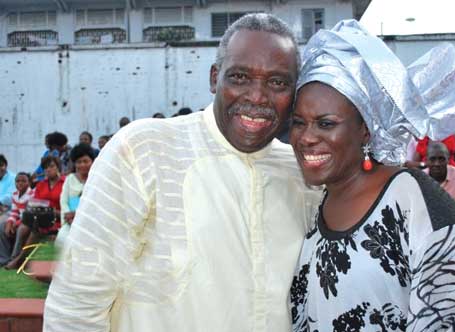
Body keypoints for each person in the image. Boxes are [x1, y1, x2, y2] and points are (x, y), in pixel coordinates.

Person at [44, 13, 320, 332]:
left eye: (277, 82)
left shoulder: (302, 173)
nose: (257, 97)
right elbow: (75, 305)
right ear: (215, 77)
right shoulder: (144, 150)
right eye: (240, 77)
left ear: (294, 92)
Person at [289, 20, 455, 332]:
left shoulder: (411, 199)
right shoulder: (317, 204)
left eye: (325, 123)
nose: (306, 137)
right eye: (298, 122)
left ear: (365, 130)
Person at [6, 156, 65, 269]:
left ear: (58, 167)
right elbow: (35, 203)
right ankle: (16, 258)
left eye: (51, 166)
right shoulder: (41, 184)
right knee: (24, 228)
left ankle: (19, 260)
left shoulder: (65, 182)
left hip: (59, 218)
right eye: (45, 168)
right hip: (42, 218)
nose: (48, 170)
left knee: (35, 230)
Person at [55, 144, 95, 248]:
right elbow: (63, 201)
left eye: (86, 161)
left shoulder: (96, 179)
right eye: (79, 162)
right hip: (70, 221)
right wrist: (69, 217)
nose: (82, 165)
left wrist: (78, 215)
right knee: (62, 239)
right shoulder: (69, 179)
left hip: (91, 221)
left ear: (92, 161)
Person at [0, 172, 33, 266]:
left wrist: (15, 224)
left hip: (29, 220)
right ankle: (4, 258)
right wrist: (9, 223)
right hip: (20, 219)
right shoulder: (15, 194)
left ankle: (14, 259)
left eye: (23, 181)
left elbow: (27, 214)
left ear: (29, 182)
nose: (20, 183)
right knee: (2, 227)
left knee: (20, 230)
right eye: (17, 181)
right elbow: (14, 211)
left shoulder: (32, 194)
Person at [0, 154, 16, 222]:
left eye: (1, 165)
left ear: (6, 166)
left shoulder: (14, 178)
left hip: (9, 210)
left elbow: (11, 196)